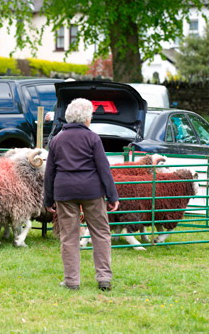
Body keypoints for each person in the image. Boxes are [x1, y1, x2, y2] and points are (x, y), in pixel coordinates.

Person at [44, 98, 119, 291]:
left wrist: (48, 199)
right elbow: (104, 168)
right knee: (101, 233)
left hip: (64, 191)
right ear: (86, 118)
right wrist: (112, 196)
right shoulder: (93, 138)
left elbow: (50, 172)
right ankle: (103, 278)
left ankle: (72, 281)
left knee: (69, 237)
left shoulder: (56, 139)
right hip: (91, 191)